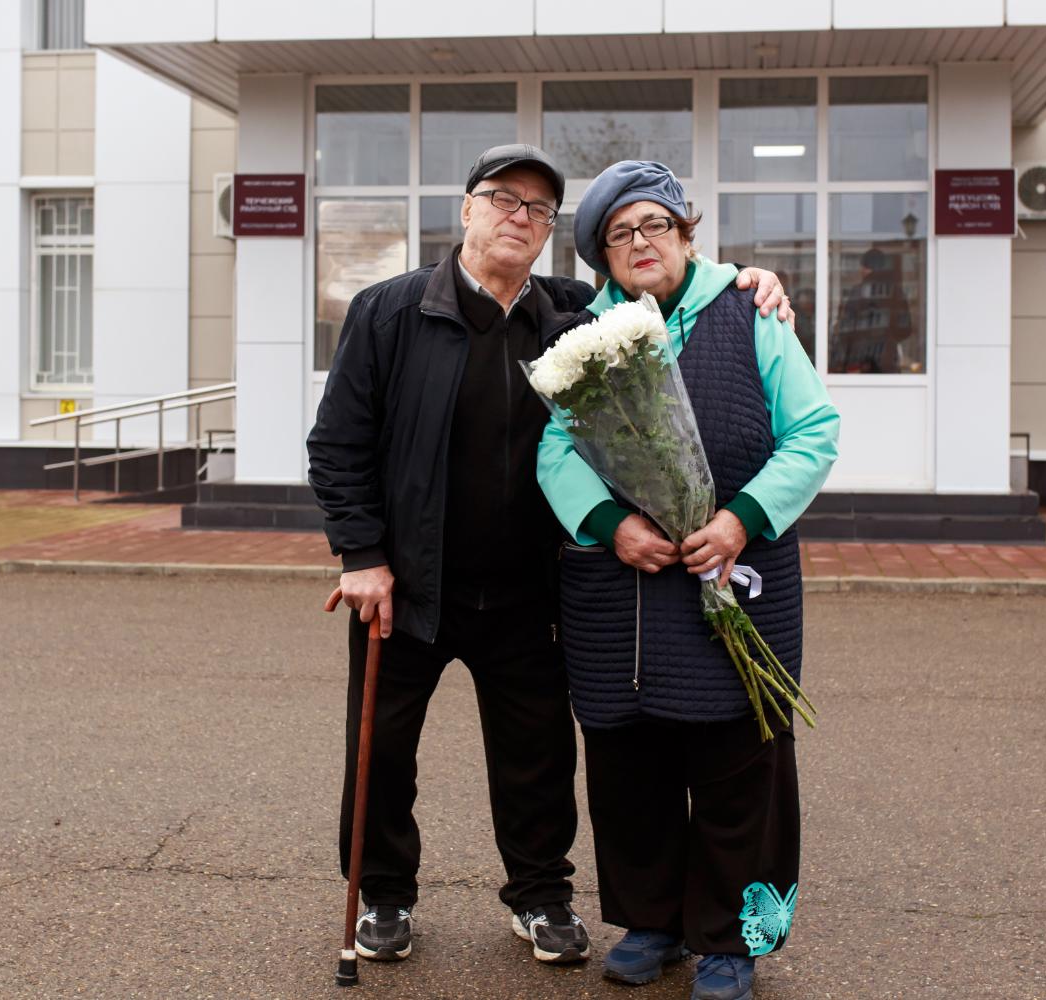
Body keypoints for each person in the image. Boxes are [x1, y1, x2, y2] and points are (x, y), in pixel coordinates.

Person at [306, 144, 794, 970]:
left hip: (528, 589)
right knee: (383, 749)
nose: (520, 217)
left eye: (538, 209)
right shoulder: (387, 312)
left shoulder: (572, 313)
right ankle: (384, 893)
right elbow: (338, 443)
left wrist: (751, 280)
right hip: (408, 584)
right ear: (467, 208)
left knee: (536, 756)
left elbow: (665, 283)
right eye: (504, 198)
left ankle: (539, 895)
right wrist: (362, 554)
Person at [536, 160, 839, 1000]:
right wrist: (612, 524)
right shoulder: (583, 336)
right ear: (601, 256)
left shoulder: (750, 310)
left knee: (739, 766)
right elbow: (556, 449)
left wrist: (740, 519)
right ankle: (653, 923)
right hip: (622, 590)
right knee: (630, 766)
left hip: (737, 573)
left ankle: (731, 940)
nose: (641, 242)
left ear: (685, 234)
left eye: (655, 225)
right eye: (619, 234)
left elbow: (813, 430)